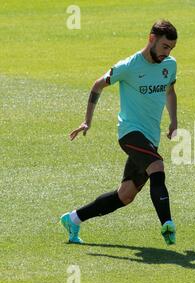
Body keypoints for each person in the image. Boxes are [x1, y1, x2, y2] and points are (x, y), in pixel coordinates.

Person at [60, 20, 178, 245]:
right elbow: (97, 85)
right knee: (157, 167)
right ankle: (167, 223)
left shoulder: (170, 65)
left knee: (125, 195)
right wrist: (87, 121)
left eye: (171, 48)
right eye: (165, 47)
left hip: (150, 138)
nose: (167, 53)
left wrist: (174, 120)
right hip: (130, 133)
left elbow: (170, 91)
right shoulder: (129, 66)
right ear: (151, 39)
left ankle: (73, 218)